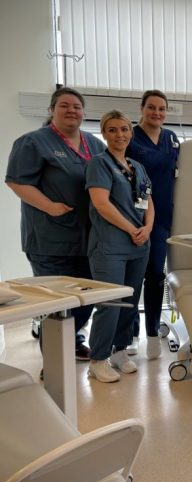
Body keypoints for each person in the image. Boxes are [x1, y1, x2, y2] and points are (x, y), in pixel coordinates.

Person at [5, 87, 105, 363]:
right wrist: (49, 206)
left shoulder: (94, 144)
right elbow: (17, 181)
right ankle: (53, 364)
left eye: (77, 106)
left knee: (88, 297)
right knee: (56, 303)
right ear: (51, 110)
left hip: (89, 237)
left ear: (84, 113)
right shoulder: (33, 142)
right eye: (64, 105)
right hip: (49, 237)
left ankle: (72, 340)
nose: (71, 110)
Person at [86, 110, 154, 382]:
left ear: (131, 132)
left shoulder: (137, 167)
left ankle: (120, 351)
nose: (119, 135)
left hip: (139, 244)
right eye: (112, 130)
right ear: (104, 133)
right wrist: (131, 229)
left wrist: (147, 228)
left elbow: (148, 202)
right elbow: (101, 204)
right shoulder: (99, 163)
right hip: (110, 245)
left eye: (124, 129)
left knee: (129, 302)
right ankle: (97, 359)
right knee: (110, 303)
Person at [126, 90, 180, 359]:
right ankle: (131, 334)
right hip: (134, 216)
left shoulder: (171, 138)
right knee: (133, 277)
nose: (156, 113)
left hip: (162, 218)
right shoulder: (130, 136)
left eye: (161, 109)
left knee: (156, 276)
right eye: (151, 107)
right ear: (142, 109)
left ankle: (152, 332)